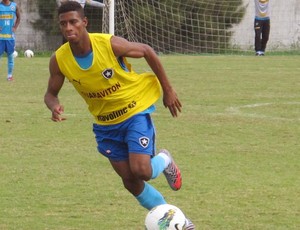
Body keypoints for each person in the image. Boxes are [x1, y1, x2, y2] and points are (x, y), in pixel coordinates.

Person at [44, 2, 195, 229]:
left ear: (84, 22)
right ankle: (175, 221)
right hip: (105, 125)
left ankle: (164, 159)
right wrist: (53, 106)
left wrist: (168, 90)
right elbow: (50, 94)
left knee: (141, 170)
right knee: (131, 182)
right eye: (63, 23)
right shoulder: (59, 59)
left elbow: (146, 51)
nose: (68, 27)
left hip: (134, 112)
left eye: (73, 21)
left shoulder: (108, 44)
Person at [0, 0, 20, 81]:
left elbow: (19, 17)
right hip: (0, 37)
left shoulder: (14, 6)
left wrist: (15, 27)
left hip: (10, 38)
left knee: (10, 57)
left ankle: (9, 76)